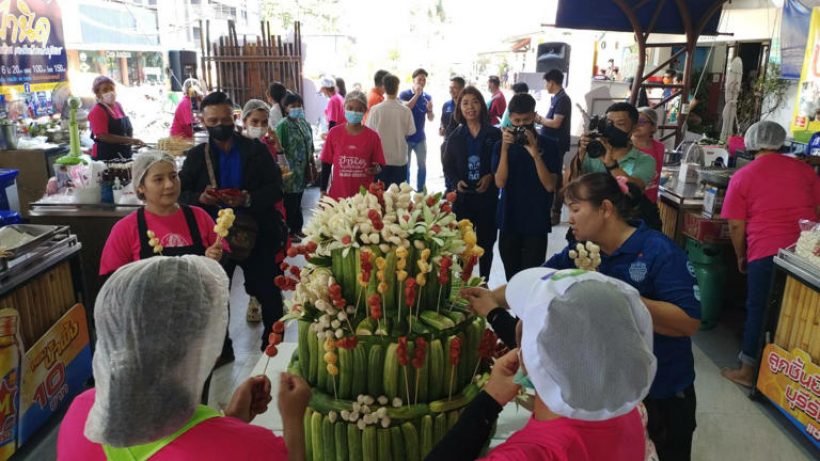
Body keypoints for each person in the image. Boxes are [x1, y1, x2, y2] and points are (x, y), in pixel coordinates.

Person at [463, 172, 701, 460]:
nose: (569, 218)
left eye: (576, 209)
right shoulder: (580, 251)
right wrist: (490, 297)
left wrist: (611, 292)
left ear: (605, 209)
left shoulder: (658, 251)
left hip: (664, 388)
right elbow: (540, 281)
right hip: (607, 388)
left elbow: (687, 322)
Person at [57, 256, 311, 460]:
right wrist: (292, 418)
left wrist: (231, 420)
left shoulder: (82, 412)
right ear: (202, 343)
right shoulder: (253, 449)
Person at [429, 269, 656, 460]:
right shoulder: (627, 408)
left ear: (529, 358)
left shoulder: (530, 454)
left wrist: (488, 401)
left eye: (524, 320)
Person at [180, 91, 286, 352]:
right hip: (214, 237)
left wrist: (248, 198)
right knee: (216, 294)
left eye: (224, 119)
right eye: (212, 120)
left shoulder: (256, 150)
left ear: (234, 118)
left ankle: (272, 343)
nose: (219, 125)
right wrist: (200, 197)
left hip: (257, 231)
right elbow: (180, 193)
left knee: (266, 289)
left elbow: (276, 188)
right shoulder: (195, 157)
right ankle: (221, 349)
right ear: (203, 121)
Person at [721, 121, 820, 388]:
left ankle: (747, 370)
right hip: (804, 252)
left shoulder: (743, 175)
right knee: (794, 309)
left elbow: (735, 225)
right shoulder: (805, 170)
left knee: (759, 307)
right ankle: (789, 372)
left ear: (751, 142)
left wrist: (741, 255)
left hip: (765, 250)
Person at [99, 151, 224, 277]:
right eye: (159, 179)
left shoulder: (199, 217)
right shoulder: (125, 228)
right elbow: (113, 280)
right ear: (140, 186)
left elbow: (222, 257)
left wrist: (214, 258)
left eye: (173, 176)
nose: (170, 184)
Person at [492, 93, 561, 280]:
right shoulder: (501, 146)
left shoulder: (550, 145)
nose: (521, 125)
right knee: (512, 278)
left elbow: (549, 186)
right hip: (509, 218)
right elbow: (500, 182)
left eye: (526, 119)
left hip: (536, 221)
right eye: (516, 120)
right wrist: (505, 150)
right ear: (510, 120)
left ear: (534, 116)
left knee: (532, 279)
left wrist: (535, 154)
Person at [443, 86, 502, 279]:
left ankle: (484, 281)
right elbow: (448, 165)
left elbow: (503, 162)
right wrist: (455, 182)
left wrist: (491, 176)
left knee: (486, 243)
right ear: (459, 108)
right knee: (462, 245)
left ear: (482, 106)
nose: (470, 107)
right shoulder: (455, 136)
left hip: (488, 199)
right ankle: (463, 283)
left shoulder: (494, 134)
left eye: (475, 102)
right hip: (464, 200)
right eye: (465, 103)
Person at [241, 98, 288, 323]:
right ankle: (255, 298)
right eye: (254, 121)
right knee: (252, 263)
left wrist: (278, 146)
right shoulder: (237, 149)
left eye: (263, 121)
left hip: (274, 210)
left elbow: (284, 169)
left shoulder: (268, 144)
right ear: (244, 121)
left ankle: (273, 297)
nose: (259, 126)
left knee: (275, 258)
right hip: (249, 216)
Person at [570, 102, 656, 191]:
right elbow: (571, 184)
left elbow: (635, 189)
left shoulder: (644, 160)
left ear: (633, 128)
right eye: (609, 123)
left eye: (620, 124)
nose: (611, 128)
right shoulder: (593, 152)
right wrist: (580, 153)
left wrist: (611, 165)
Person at [320, 90, 385, 199]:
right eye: (350, 108)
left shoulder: (373, 137)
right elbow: (326, 163)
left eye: (359, 109)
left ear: (365, 111)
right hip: (338, 196)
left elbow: (380, 165)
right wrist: (322, 190)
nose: (354, 112)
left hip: (364, 198)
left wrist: (376, 169)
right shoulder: (334, 133)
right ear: (344, 108)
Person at [276, 92, 316, 241]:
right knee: (290, 202)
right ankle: (289, 232)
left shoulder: (303, 123)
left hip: (303, 171)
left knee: (298, 200)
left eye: (299, 105)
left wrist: (311, 165)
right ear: (286, 108)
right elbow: (278, 150)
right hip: (289, 173)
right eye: (293, 106)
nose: (297, 108)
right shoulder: (282, 126)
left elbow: (309, 145)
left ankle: (297, 228)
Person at [535, 70, 572, 225]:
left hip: (556, 144)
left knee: (555, 178)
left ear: (552, 82)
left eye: (546, 82)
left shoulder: (563, 99)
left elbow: (556, 123)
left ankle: (555, 212)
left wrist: (539, 119)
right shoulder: (557, 98)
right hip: (550, 142)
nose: (546, 86)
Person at [366, 74, 416, 188]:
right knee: (397, 197)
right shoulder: (405, 110)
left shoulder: (375, 110)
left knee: (379, 196)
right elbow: (409, 133)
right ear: (398, 88)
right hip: (399, 159)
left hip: (380, 160)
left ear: (384, 87)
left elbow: (370, 134)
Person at [88, 76, 143, 160]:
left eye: (112, 89)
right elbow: (103, 136)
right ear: (98, 93)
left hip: (123, 153)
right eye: (105, 90)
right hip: (106, 156)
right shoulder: (97, 110)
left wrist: (131, 142)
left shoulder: (118, 105)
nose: (110, 92)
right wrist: (130, 140)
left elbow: (127, 128)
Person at [400, 68, 435, 190]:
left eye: (424, 79)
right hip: (407, 138)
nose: (422, 81)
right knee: (406, 167)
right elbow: (406, 108)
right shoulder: (404, 94)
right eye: (419, 79)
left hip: (421, 138)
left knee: (422, 166)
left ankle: (421, 191)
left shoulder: (428, 97)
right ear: (413, 80)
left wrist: (430, 110)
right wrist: (416, 95)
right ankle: (406, 192)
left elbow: (431, 118)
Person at [632, 107, 665, 203]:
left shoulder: (659, 147)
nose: (636, 125)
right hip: (628, 201)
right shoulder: (624, 145)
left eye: (641, 121)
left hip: (650, 201)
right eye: (634, 121)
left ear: (653, 126)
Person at [440, 76, 466, 191]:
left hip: (461, 144)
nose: (451, 90)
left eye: (454, 87)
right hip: (446, 142)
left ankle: (456, 188)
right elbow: (442, 121)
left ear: (462, 89)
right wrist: (441, 127)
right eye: (450, 87)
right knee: (446, 166)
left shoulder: (466, 105)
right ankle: (448, 188)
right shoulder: (446, 105)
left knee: (459, 169)